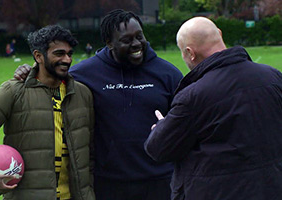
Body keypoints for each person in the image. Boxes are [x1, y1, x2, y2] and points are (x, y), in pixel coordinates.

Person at [14, 9, 183, 200]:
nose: (136, 44)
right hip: (108, 183)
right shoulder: (85, 74)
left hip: (160, 180)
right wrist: (29, 71)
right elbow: (48, 82)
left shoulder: (168, 74)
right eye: (127, 40)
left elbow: (186, 122)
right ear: (109, 43)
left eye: (139, 36)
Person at [144, 16, 282, 200]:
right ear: (219, 34)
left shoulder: (193, 96)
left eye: (182, 53)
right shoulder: (273, 77)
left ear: (190, 52)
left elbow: (158, 148)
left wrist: (161, 127)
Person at [0, 25, 95, 200]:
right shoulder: (13, 91)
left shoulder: (82, 94)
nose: (66, 59)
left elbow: (92, 152)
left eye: (69, 54)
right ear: (38, 56)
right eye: (59, 53)